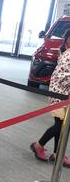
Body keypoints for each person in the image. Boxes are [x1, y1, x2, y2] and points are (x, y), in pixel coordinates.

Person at [31, 29, 70, 166]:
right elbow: (63, 77)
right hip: (59, 95)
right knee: (61, 126)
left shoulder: (66, 53)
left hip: (62, 95)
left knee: (62, 126)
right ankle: (38, 145)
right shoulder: (68, 55)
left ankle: (57, 153)